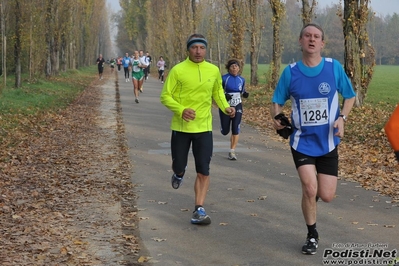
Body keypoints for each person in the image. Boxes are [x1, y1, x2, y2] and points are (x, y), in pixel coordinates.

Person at [270, 23, 356, 255]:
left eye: (316, 36)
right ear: (300, 41)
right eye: (307, 35)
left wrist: (342, 118)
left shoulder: (333, 67)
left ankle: (312, 196)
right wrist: (276, 118)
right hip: (301, 141)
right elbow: (277, 100)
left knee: (326, 195)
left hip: (328, 141)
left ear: (322, 43)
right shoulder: (291, 72)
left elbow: (350, 96)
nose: (312, 39)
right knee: (309, 188)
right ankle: (312, 234)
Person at [160, 33, 236, 225]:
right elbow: (165, 96)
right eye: (194, 48)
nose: (198, 51)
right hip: (181, 127)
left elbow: (217, 91)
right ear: (188, 49)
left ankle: (199, 209)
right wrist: (181, 110)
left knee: (203, 170)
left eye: (202, 48)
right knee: (179, 165)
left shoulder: (213, 70)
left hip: (204, 127)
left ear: (206, 49)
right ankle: (178, 173)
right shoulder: (178, 70)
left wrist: (225, 106)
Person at [219, 59, 249, 160]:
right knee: (225, 131)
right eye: (232, 66)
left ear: (239, 68)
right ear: (229, 68)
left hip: (237, 104)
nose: (234, 68)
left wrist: (245, 94)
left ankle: (232, 151)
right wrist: (224, 95)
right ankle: (224, 128)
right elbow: (217, 91)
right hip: (226, 105)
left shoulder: (242, 80)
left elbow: (242, 90)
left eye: (236, 66)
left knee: (236, 128)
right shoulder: (224, 78)